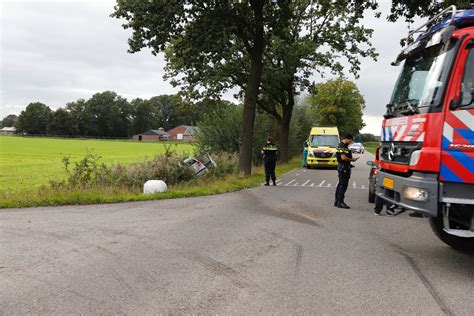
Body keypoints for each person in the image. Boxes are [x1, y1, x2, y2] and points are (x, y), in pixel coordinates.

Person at [334, 133, 359, 209]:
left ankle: (337, 201)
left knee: (340, 184)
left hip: (342, 166)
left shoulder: (340, 145)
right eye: (350, 140)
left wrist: (349, 163)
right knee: (343, 185)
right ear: (347, 139)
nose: (351, 142)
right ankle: (340, 202)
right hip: (344, 168)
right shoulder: (342, 146)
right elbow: (343, 158)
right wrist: (352, 159)